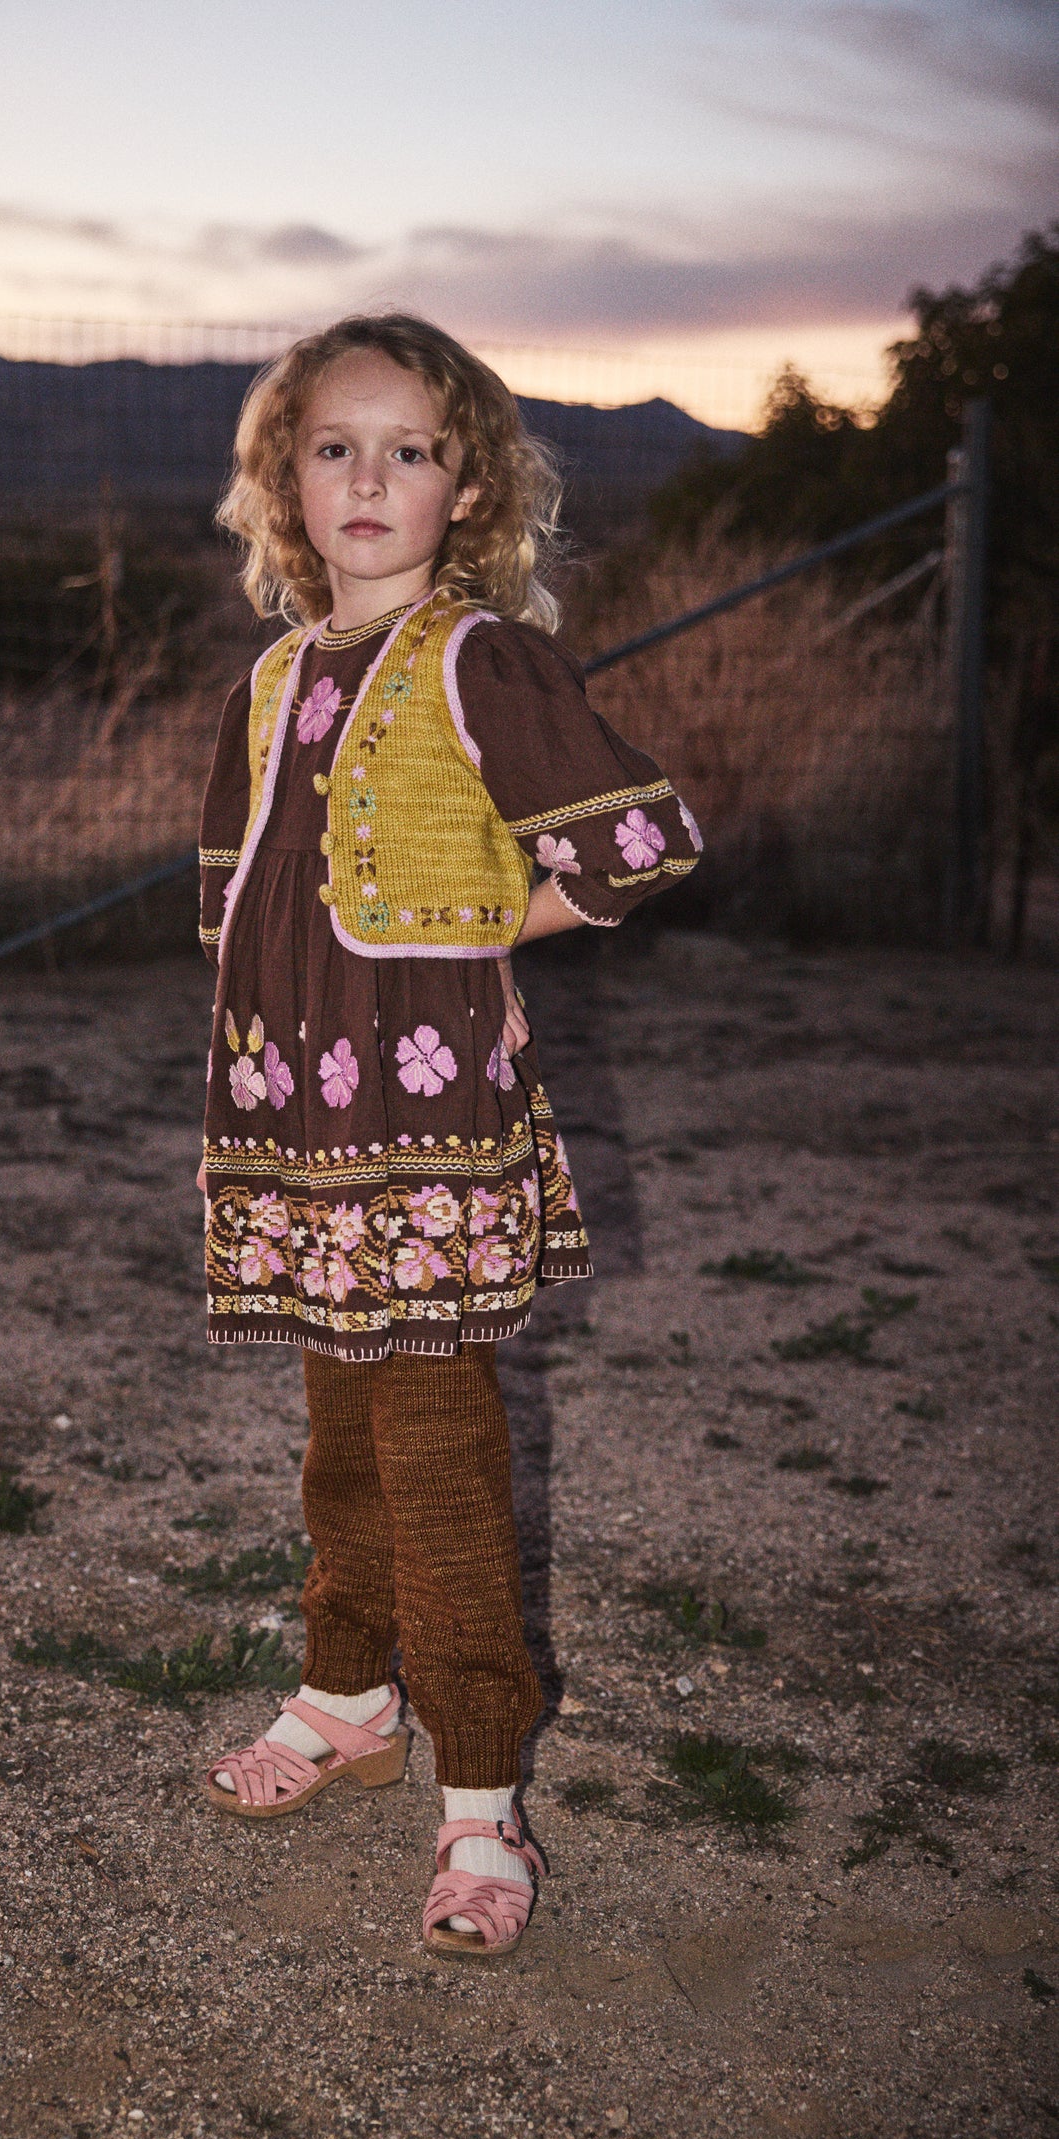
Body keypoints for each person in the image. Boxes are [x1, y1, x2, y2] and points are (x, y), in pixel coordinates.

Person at [194, 314, 701, 1958]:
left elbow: (640, 839)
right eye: (333, 447)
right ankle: (345, 1691)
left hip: (428, 1125)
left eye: (407, 449)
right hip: (296, 1124)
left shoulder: (477, 659)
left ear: (462, 485)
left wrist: (497, 927)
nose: (368, 478)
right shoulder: (273, 676)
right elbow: (232, 897)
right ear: (285, 480)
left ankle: (480, 1790)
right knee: (338, 1427)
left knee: (435, 1441)